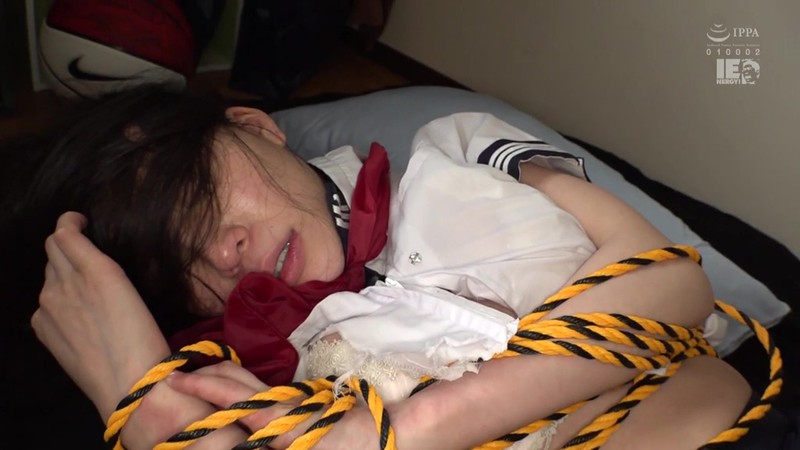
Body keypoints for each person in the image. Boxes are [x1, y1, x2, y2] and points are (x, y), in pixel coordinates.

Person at [6, 85, 763, 449]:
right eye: (173, 268)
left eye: (197, 193)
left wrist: (402, 431)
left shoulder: (457, 150)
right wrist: (138, 395)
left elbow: (670, 283)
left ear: (256, 128)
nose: (220, 251)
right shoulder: (245, 378)